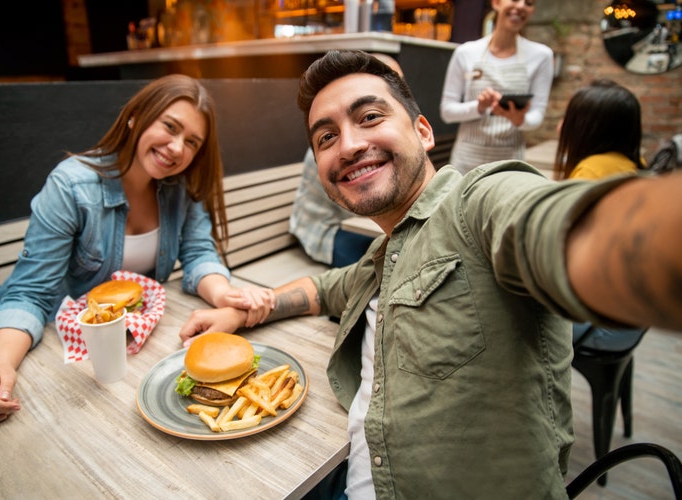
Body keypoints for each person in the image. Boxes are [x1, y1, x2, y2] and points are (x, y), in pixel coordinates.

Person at [177, 50, 682, 498]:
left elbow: (567, 231)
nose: (348, 145)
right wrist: (243, 312)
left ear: (423, 130)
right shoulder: (383, 253)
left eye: (370, 116)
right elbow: (326, 287)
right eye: (326, 136)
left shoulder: (478, 206)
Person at [0, 74, 275, 429]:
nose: (176, 148)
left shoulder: (179, 190)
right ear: (135, 117)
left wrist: (226, 295)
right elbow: (28, 293)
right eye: (169, 127)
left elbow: (199, 254)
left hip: (135, 350)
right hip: (54, 354)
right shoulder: (71, 186)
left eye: (191, 142)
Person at [289, 53, 403, 267]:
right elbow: (361, 200)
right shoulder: (333, 149)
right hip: (325, 228)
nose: (396, 88)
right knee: (390, 266)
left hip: (355, 223)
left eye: (398, 80)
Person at [440, 0, 553, 174]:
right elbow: (447, 111)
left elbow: (537, 115)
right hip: (467, 160)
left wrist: (518, 119)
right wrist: (478, 106)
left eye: (529, 3)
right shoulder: (466, 53)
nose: (521, 6)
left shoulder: (541, 56)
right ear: (496, 2)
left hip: (510, 164)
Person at [554, 78, 643, 180]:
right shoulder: (636, 163)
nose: (560, 126)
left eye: (568, 119)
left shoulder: (589, 172)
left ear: (589, 129)